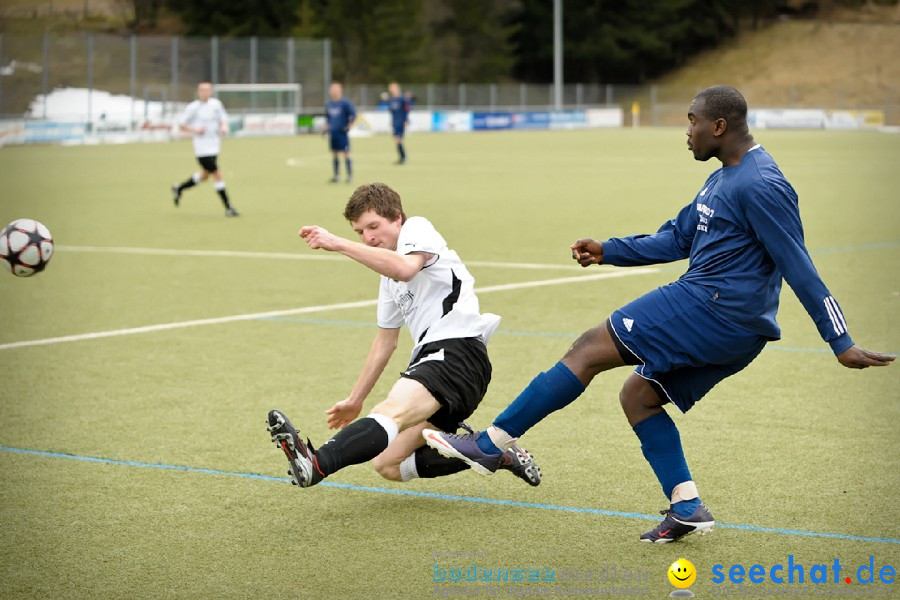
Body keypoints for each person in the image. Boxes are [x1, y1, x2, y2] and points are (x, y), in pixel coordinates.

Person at [423, 85, 894, 543]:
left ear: (719, 125)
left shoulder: (760, 183)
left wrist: (840, 340)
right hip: (734, 328)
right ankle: (687, 506)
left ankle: (490, 446)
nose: (686, 130)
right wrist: (608, 250)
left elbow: (798, 264)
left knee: (588, 349)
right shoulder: (725, 176)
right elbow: (676, 238)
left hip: (713, 309)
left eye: (692, 120)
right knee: (639, 396)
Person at [266, 183, 541, 489]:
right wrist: (355, 400)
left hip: (454, 353)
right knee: (388, 464)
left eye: (374, 226)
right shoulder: (387, 276)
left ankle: (317, 463)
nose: (368, 238)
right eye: (359, 232)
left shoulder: (416, 228)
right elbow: (386, 341)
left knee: (389, 413)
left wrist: (339, 243)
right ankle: (498, 453)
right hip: (451, 369)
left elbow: (406, 268)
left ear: (397, 218)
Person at [171, 81, 238, 217]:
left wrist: (224, 127)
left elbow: (223, 119)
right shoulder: (193, 107)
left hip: (214, 145)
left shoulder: (216, 104)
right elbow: (182, 125)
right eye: (202, 90)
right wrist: (195, 130)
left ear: (211, 91)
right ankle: (228, 207)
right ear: (198, 92)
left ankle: (179, 188)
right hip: (201, 148)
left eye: (207, 90)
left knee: (205, 175)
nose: (205, 92)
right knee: (217, 174)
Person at [324, 82, 357, 183]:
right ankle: (336, 176)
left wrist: (350, 125)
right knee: (334, 154)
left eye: (336, 89)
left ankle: (349, 175)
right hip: (333, 133)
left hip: (342, 132)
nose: (334, 91)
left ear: (340, 90)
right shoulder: (329, 104)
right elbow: (328, 118)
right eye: (332, 89)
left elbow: (353, 114)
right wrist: (326, 127)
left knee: (346, 153)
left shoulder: (345, 103)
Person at [387, 82, 411, 164]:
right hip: (395, 122)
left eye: (392, 87)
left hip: (401, 122)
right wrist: (392, 121)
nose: (391, 89)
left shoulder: (402, 99)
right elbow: (392, 112)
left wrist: (406, 120)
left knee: (398, 139)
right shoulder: (391, 99)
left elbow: (407, 110)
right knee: (397, 139)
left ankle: (403, 157)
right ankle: (402, 157)